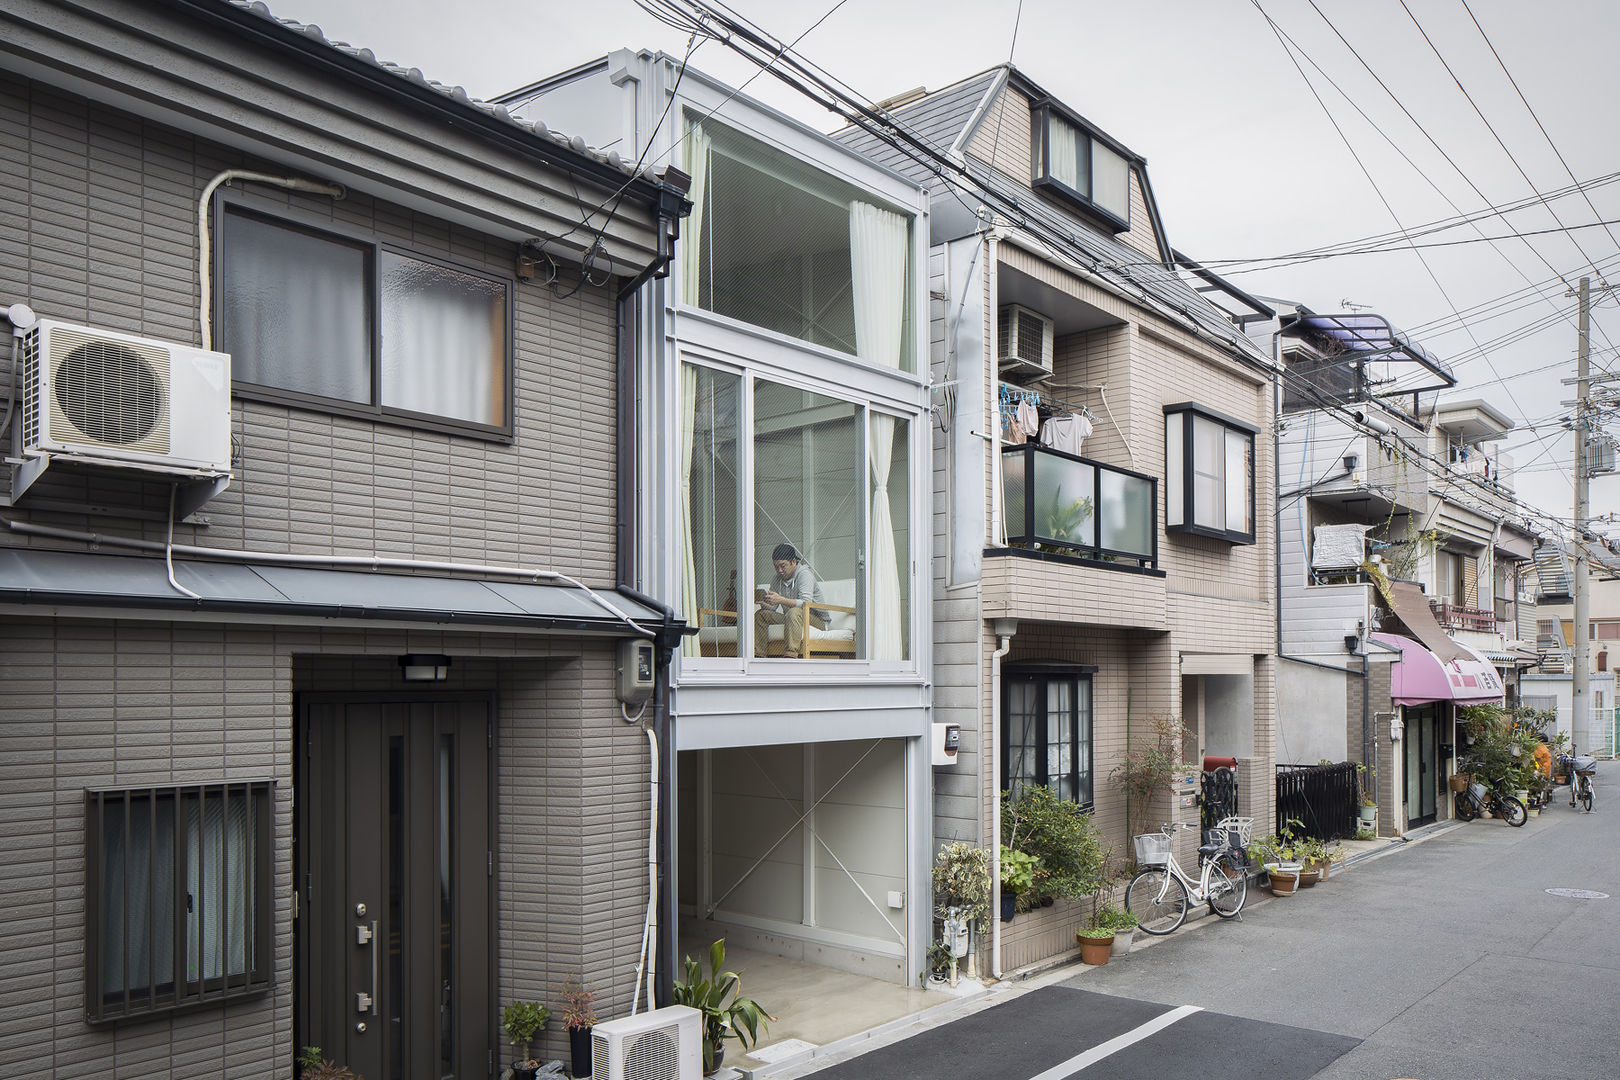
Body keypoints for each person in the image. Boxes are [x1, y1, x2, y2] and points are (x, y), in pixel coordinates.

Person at [754, 543, 829, 657]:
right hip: (791, 618)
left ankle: (791, 654)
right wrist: (765, 604)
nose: (779, 570)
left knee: (793, 612)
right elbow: (773, 608)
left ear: (794, 562)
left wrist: (781, 600)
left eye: (783, 566)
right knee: (761, 614)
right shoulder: (776, 579)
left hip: (815, 620)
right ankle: (759, 654)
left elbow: (806, 604)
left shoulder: (805, 575)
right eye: (776, 566)